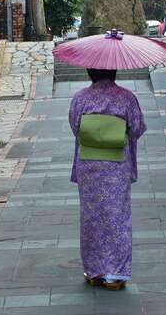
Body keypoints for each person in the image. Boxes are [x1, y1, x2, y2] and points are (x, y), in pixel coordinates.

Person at [68, 69, 147, 291]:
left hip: (89, 164)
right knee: (117, 216)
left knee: (91, 217)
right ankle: (115, 274)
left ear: (89, 72)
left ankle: (94, 271)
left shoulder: (81, 98)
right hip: (116, 164)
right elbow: (137, 128)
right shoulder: (126, 97)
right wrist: (115, 132)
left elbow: (76, 128)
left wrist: (96, 133)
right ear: (114, 71)